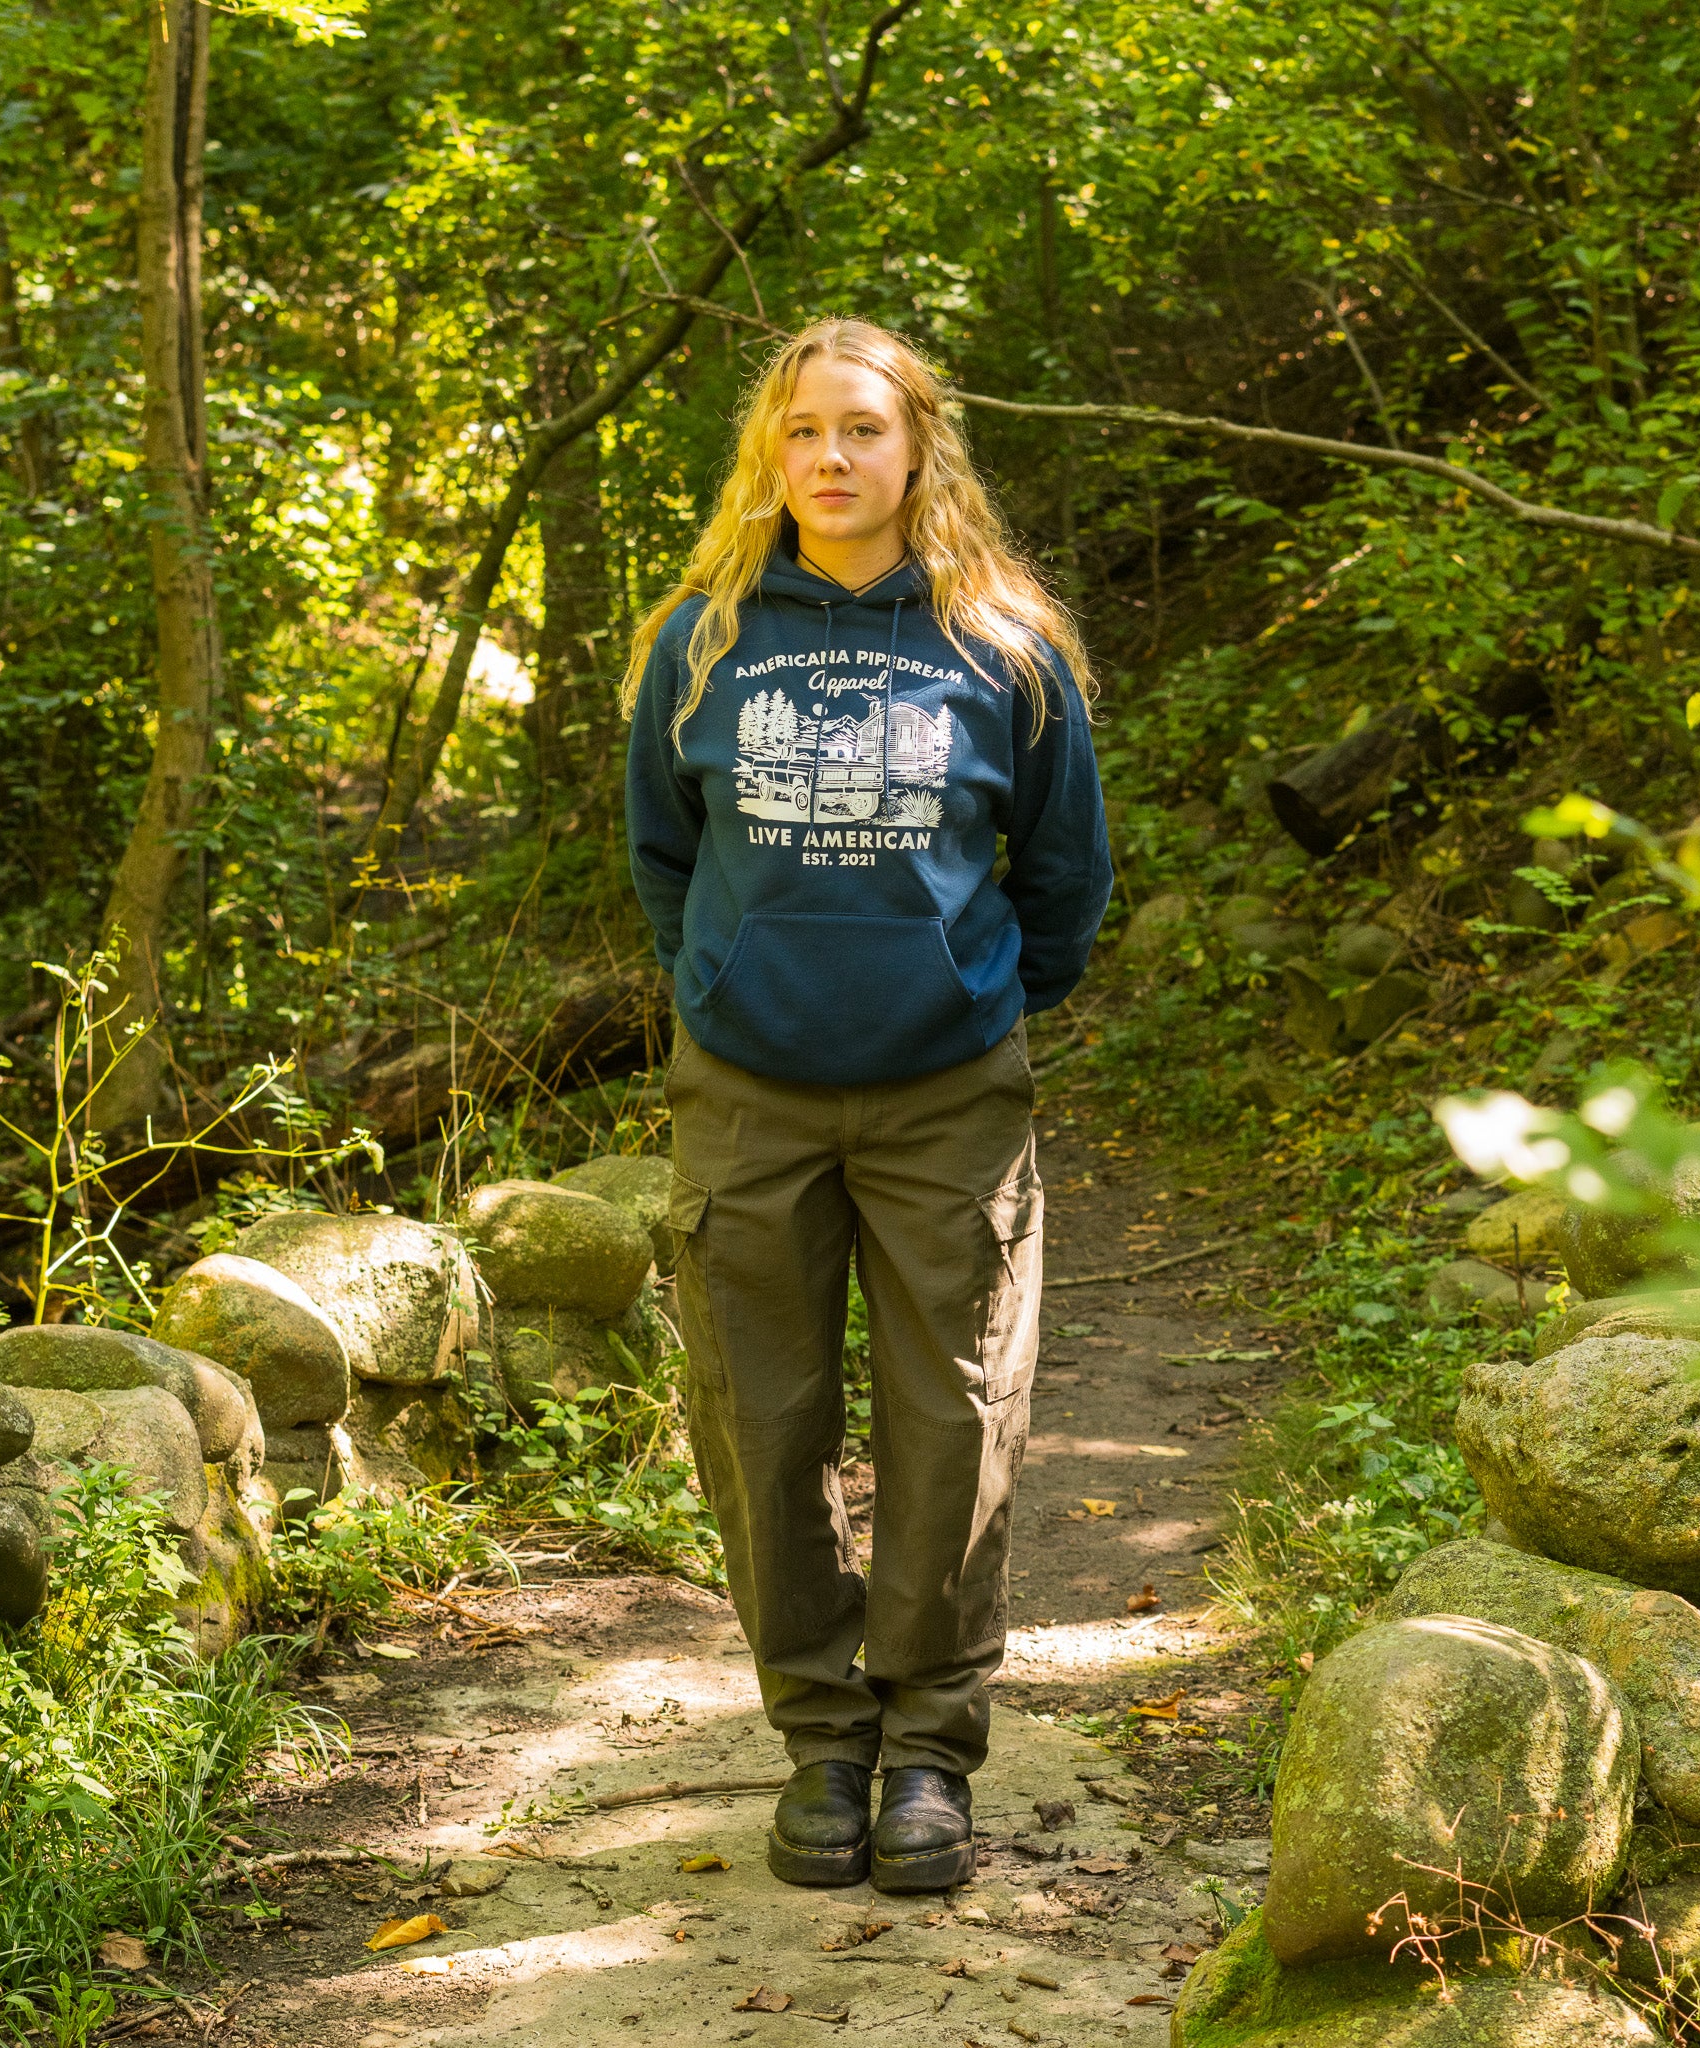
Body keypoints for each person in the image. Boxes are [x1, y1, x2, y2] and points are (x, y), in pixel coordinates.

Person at [619, 316, 1111, 1893]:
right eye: (804, 433)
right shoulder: (698, 638)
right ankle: (822, 1740)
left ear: (918, 450)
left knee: (955, 1415)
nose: (831, 459)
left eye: (862, 431)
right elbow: (663, 860)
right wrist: (733, 989)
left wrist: (958, 999)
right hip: (747, 1095)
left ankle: (930, 1752)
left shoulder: (1004, 646)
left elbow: (1062, 879)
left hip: (945, 1099)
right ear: (772, 455)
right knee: (761, 1423)